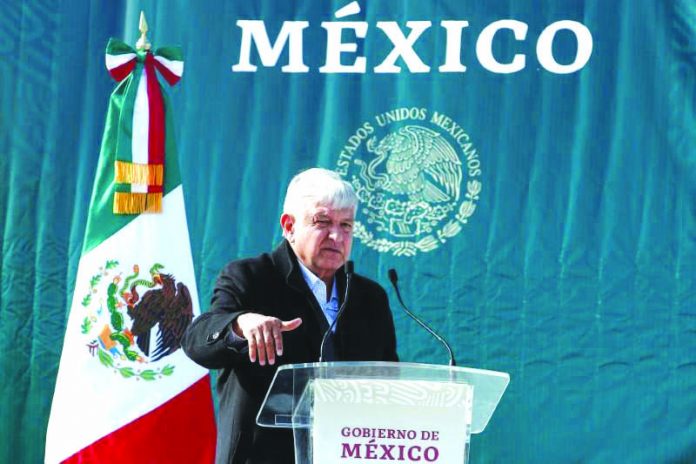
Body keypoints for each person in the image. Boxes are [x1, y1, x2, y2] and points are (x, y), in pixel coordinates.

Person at [182, 168, 398, 464]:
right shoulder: (251, 277)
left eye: (346, 225)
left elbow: (390, 379)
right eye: (323, 222)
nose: (336, 236)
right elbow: (197, 340)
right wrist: (239, 325)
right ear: (289, 225)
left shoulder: (369, 297)